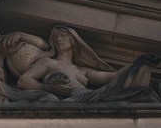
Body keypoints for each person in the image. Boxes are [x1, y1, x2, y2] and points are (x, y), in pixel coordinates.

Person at [16, 26, 159, 102]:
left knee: (142, 89)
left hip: (94, 97)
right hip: (81, 100)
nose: (59, 38)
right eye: (55, 37)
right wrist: (49, 88)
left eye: (63, 35)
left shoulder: (82, 70)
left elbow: (113, 77)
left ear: (73, 41)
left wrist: (138, 62)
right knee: (143, 94)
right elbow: (24, 81)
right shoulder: (47, 62)